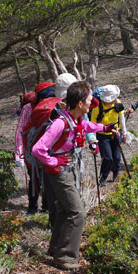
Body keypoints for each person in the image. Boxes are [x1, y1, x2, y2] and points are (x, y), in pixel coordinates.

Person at [32, 80, 117, 270]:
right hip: (59, 172)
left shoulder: (75, 120)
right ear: (79, 104)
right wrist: (54, 162)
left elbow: (86, 128)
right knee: (77, 212)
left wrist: (105, 128)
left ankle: (55, 249)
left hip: (66, 170)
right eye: (88, 100)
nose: (91, 103)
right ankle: (66, 257)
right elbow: (38, 149)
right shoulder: (60, 123)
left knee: (65, 210)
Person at [42, 73, 98, 227]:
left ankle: (68, 223)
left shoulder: (77, 105)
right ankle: (56, 225)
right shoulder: (52, 108)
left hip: (75, 154)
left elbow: (85, 123)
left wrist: (92, 140)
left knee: (73, 189)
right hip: (56, 159)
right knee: (56, 193)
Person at [15, 82, 54, 214]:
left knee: (47, 178)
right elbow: (20, 130)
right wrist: (19, 152)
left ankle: (46, 207)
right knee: (35, 179)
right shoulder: (27, 108)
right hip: (31, 150)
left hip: (47, 149)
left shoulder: (53, 106)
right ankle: (33, 206)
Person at [90, 84, 127, 186]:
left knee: (117, 156)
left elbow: (121, 119)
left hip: (116, 133)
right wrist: (93, 140)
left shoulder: (118, 103)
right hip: (102, 135)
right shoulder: (97, 106)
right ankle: (103, 178)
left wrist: (124, 133)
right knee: (107, 157)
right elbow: (92, 124)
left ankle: (115, 173)